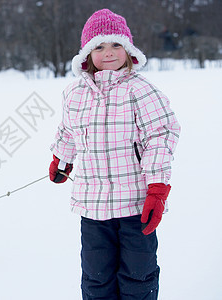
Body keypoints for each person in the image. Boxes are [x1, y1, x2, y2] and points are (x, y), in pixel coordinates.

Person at [49, 9, 180, 299]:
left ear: (129, 49)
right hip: (93, 208)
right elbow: (68, 131)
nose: (108, 53)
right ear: (86, 53)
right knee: (96, 279)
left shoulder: (141, 90)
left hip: (135, 206)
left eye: (116, 44)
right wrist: (62, 158)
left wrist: (157, 189)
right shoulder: (74, 93)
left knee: (138, 277)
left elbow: (161, 136)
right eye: (99, 46)